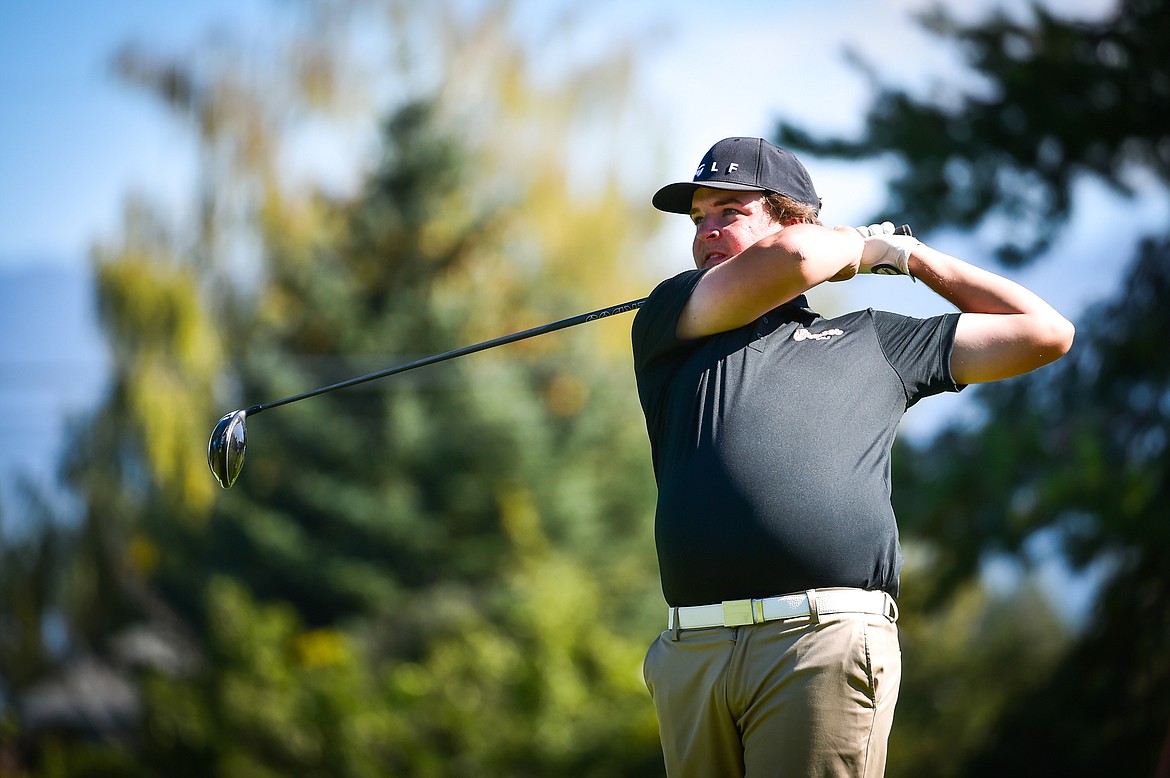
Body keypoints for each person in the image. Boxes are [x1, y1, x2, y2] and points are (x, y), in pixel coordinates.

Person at [631, 137, 1075, 778]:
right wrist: (865, 247)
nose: (705, 233)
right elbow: (796, 257)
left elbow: (1045, 331)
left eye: (728, 211)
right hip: (693, 647)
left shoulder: (878, 340)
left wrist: (913, 259)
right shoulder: (670, 320)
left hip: (821, 645)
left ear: (794, 215)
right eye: (698, 219)